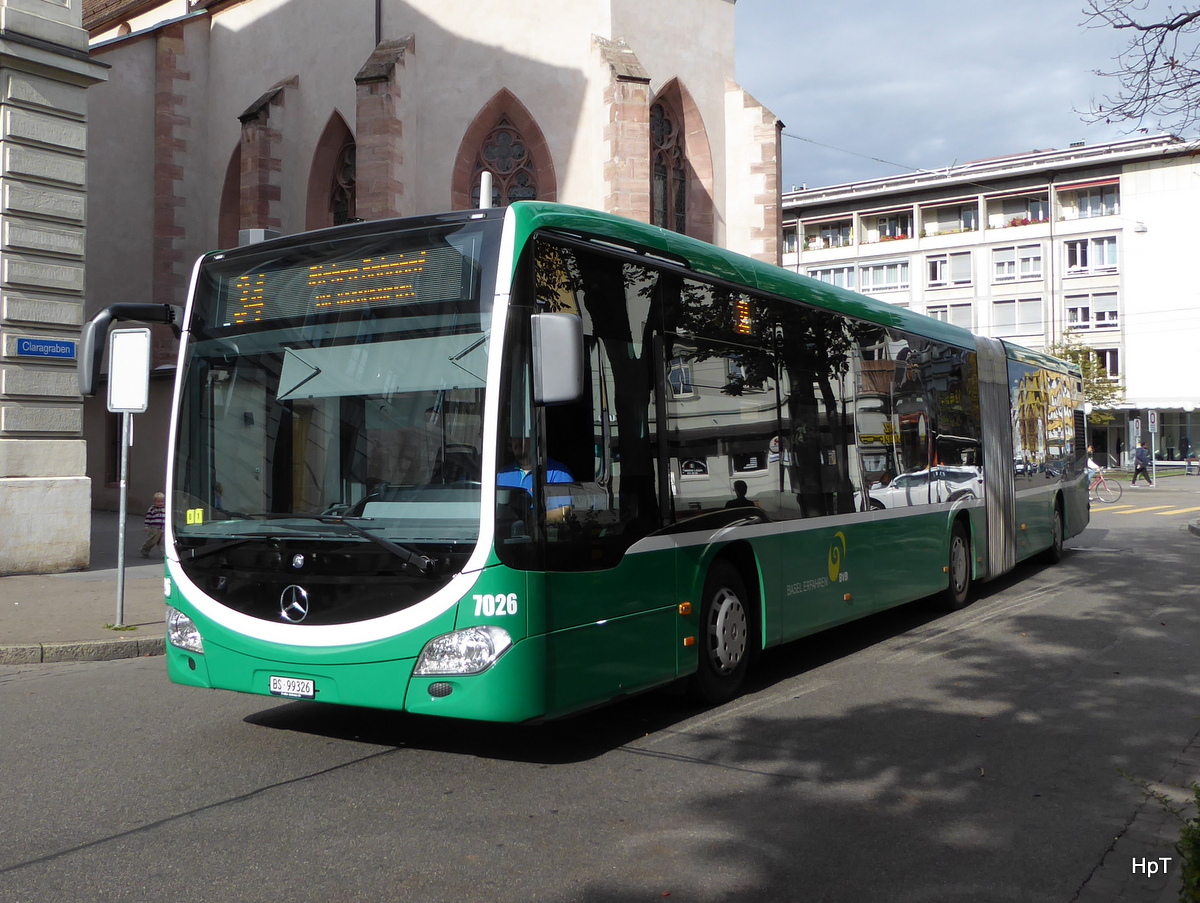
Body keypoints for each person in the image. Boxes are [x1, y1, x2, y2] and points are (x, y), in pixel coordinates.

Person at [497, 437, 574, 520]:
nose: (518, 442)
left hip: (538, 532)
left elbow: (564, 511)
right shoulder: (502, 474)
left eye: (524, 436)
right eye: (515, 437)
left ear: (536, 441)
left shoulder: (558, 472)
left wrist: (532, 519)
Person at [140, 491, 166, 557]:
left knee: (162, 542)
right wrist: (146, 526)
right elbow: (148, 518)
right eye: (158, 501)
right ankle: (144, 550)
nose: (160, 503)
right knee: (152, 541)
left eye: (162, 501)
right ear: (154, 502)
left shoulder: (165, 509)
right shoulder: (152, 509)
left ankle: (164, 554)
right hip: (154, 528)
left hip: (163, 528)